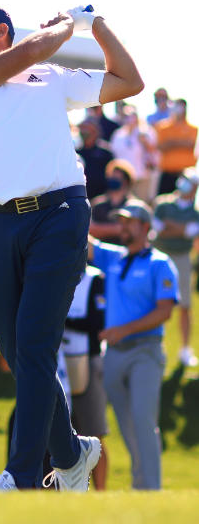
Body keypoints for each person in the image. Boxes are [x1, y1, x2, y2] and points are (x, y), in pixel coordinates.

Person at [0, 0, 143, 492]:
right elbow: (21, 57)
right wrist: (66, 25)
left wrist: (97, 27)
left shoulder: (50, 76)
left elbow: (128, 82)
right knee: (17, 352)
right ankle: (74, 452)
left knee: (33, 345)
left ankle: (23, 476)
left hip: (61, 216)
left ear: (1, 30)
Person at [88, 201, 177, 490]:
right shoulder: (114, 258)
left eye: (130, 222)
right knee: (126, 425)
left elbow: (165, 311)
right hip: (114, 354)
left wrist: (123, 329)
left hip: (145, 351)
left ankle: (151, 489)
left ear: (146, 227)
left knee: (142, 419)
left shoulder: (160, 263)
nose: (123, 226)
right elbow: (85, 242)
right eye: (121, 221)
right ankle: (141, 483)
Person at [62, 265, 109, 491]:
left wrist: (63, 319)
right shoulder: (55, 274)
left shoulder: (95, 278)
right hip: (59, 360)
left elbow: (97, 322)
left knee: (93, 434)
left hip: (87, 359)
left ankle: (100, 493)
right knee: (62, 435)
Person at [152, 168, 199, 367]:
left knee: (185, 305)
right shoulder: (162, 202)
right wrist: (178, 229)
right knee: (154, 303)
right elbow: (157, 230)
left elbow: (189, 232)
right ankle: (155, 345)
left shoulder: (195, 212)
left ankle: (185, 349)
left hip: (182, 258)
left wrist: (171, 227)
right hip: (159, 258)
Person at [109, 106, 157, 202]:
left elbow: (153, 153)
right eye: (127, 116)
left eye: (132, 116)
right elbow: (114, 155)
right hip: (123, 179)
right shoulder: (118, 134)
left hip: (141, 177)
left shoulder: (146, 132)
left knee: (140, 204)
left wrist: (145, 142)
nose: (130, 119)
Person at [89, 160, 137, 246]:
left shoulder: (133, 206)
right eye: (111, 177)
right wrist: (116, 229)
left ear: (126, 181)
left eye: (117, 178)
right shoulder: (98, 204)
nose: (113, 180)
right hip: (101, 252)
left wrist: (102, 229)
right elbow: (90, 230)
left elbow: (134, 232)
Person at [155, 99, 196, 196]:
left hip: (186, 175)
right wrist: (181, 142)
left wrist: (171, 142)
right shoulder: (162, 127)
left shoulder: (193, 128)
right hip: (167, 174)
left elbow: (191, 144)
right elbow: (161, 146)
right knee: (163, 202)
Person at [77, 120, 114, 199]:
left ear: (95, 131)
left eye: (87, 128)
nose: (84, 131)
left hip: (102, 197)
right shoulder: (76, 153)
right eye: (82, 128)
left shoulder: (105, 152)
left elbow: (112, 174)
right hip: (83, 196)